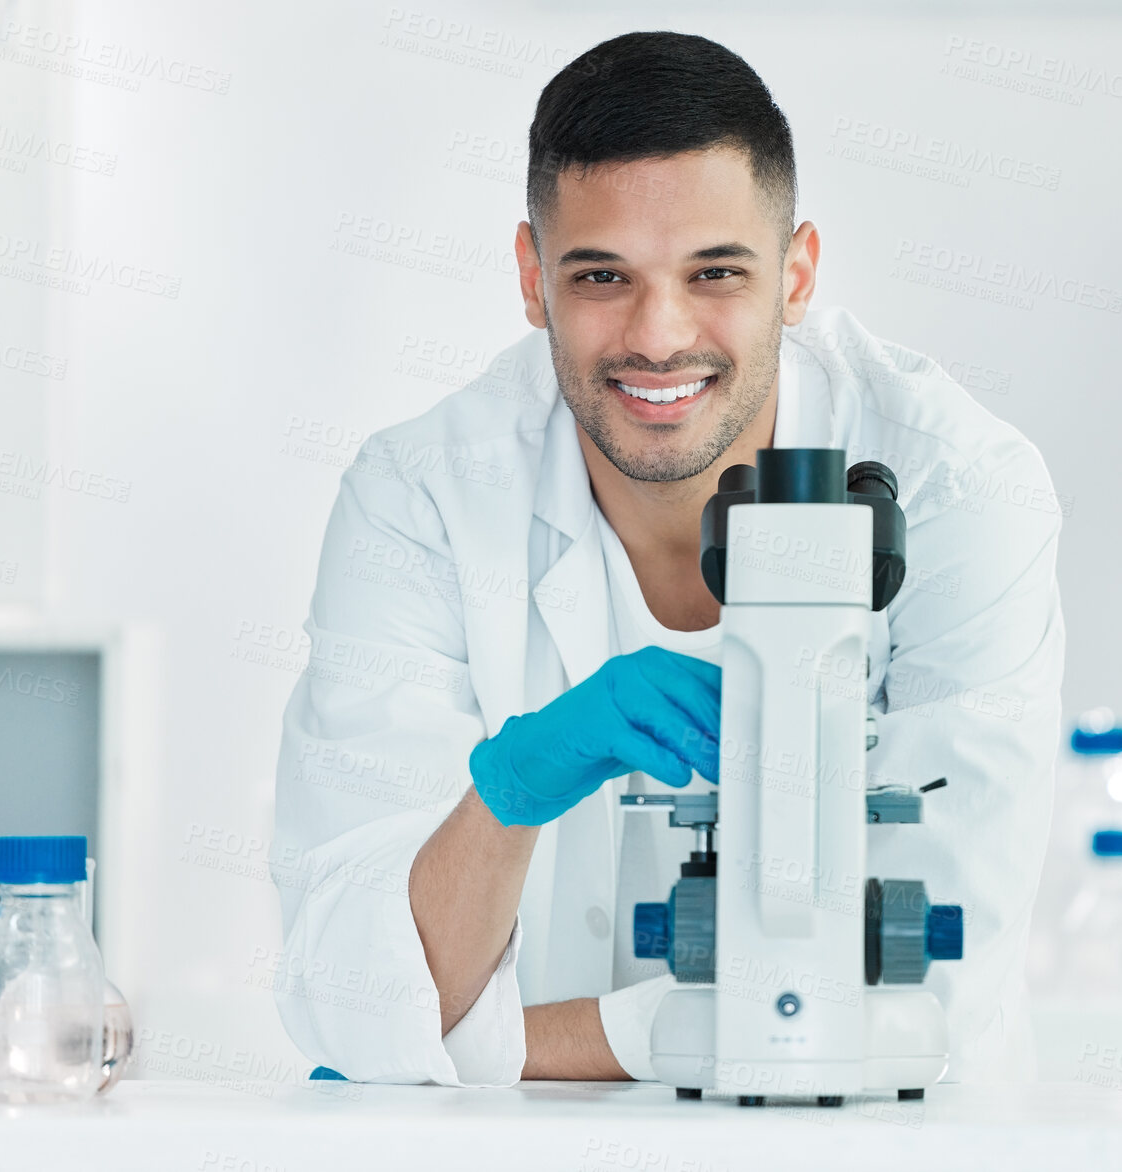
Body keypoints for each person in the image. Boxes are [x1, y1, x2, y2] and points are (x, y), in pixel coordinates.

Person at [271, 30, 1065, 1087]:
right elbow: (354, 986)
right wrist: (507, 791)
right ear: (529, 275)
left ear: (796, 273)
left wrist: (488, 1043)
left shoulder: (957, 483)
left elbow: (919, 1005)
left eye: (715, 271)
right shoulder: (421, 499)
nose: (657, 334)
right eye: (601, 274)